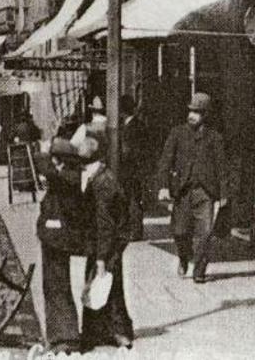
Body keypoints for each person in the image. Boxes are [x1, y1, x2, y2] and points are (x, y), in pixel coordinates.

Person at [156, 92, 229, 284]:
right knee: (180, 232)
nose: (191, 115)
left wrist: (224, 194)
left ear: (205, 114)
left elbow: (222, 168)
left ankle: (199, 272)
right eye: (190, 111)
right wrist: (163, 186)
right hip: (183, 192)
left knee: (205, 234)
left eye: (196, 112)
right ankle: (183, 257)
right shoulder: (177, 133)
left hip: (205, 193)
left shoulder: (215, 137)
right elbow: (165, 161)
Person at [77, 130, 134, 351]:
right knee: (102, 283)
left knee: (105, 282)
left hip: (109, 241)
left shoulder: (102, 183)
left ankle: (116, 332)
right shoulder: (102, 176)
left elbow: (105, 224)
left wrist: (101, 255)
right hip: (107, 240)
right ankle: (103, 331)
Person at [33, 137, 88, 352]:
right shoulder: (69, 175)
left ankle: (64, 337)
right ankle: (62, 334)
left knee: (57, 286)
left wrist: (44, 151)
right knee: (55, 286)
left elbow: (42, 164)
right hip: (55, 237)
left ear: (60, 159)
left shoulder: (67, 177)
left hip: (58, 239)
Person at [119, 94, 146, 241]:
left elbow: (129, 150)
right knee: (134, 199)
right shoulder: (138, 124)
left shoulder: (130, 127)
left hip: (131, 169)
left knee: (132, 199)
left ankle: (134, 231)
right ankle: (134, 229)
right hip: (136, 169)